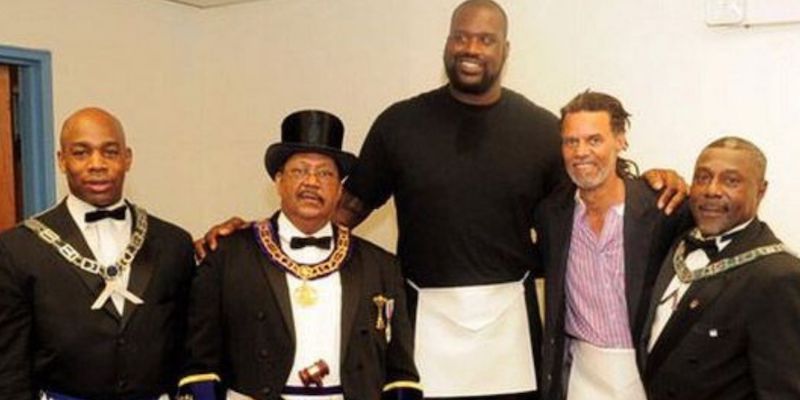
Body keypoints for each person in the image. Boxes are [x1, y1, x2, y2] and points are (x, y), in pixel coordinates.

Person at [196, 2, 687, 399]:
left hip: (511, 332)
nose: (471, 48)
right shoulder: (399, 124)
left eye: (485, 39)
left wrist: (649, 180)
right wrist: (260, 239)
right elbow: (339, 212)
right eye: (461, 37)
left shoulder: (541, 130)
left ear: (505, 50)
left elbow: (586, 196)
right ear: (447, 43)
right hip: (422, 320)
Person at [179, 110, 422, 400]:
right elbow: (200, 365)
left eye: (325, 173)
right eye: (299, 171)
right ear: (278, 181)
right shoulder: (228, 256)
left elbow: (400, 374)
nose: (311, 182)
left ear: (339, 190)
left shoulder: (381, 266)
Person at [0, 107, 195, 400]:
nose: (97, 164)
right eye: (81, 153)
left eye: (110, 152)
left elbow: (191, 349)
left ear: (127, 158)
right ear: (61, 160)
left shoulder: (174, 244)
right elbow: (9, 368)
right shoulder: (18, 248)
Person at [535, 91, 691, 400]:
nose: (581, 152)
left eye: (594, 140)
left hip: (647, 373)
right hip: (580, 376)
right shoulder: (551, 215)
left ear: (620, 140)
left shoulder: (663, 209)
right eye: (571, 142)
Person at [641, 136, 800, 399]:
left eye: (731, 181)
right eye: (702, 178)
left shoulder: (778, 276)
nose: (711, 190)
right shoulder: (678, 241)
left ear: (761, 191)